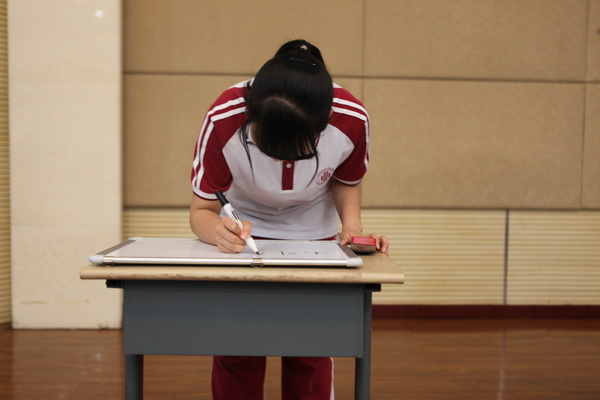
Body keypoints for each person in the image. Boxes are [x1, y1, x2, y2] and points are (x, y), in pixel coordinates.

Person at [189, 39, 388, 400]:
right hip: (242, 233)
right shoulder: (224, 117)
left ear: (322, 126)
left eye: (296, 150)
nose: (281, 160)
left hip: (314, 231)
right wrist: (218, 232)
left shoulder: (351, 118)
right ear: (251, 114)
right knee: (236, 349)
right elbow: (201, 211)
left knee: (311, 349)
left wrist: (352, 228)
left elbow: (346, 180)